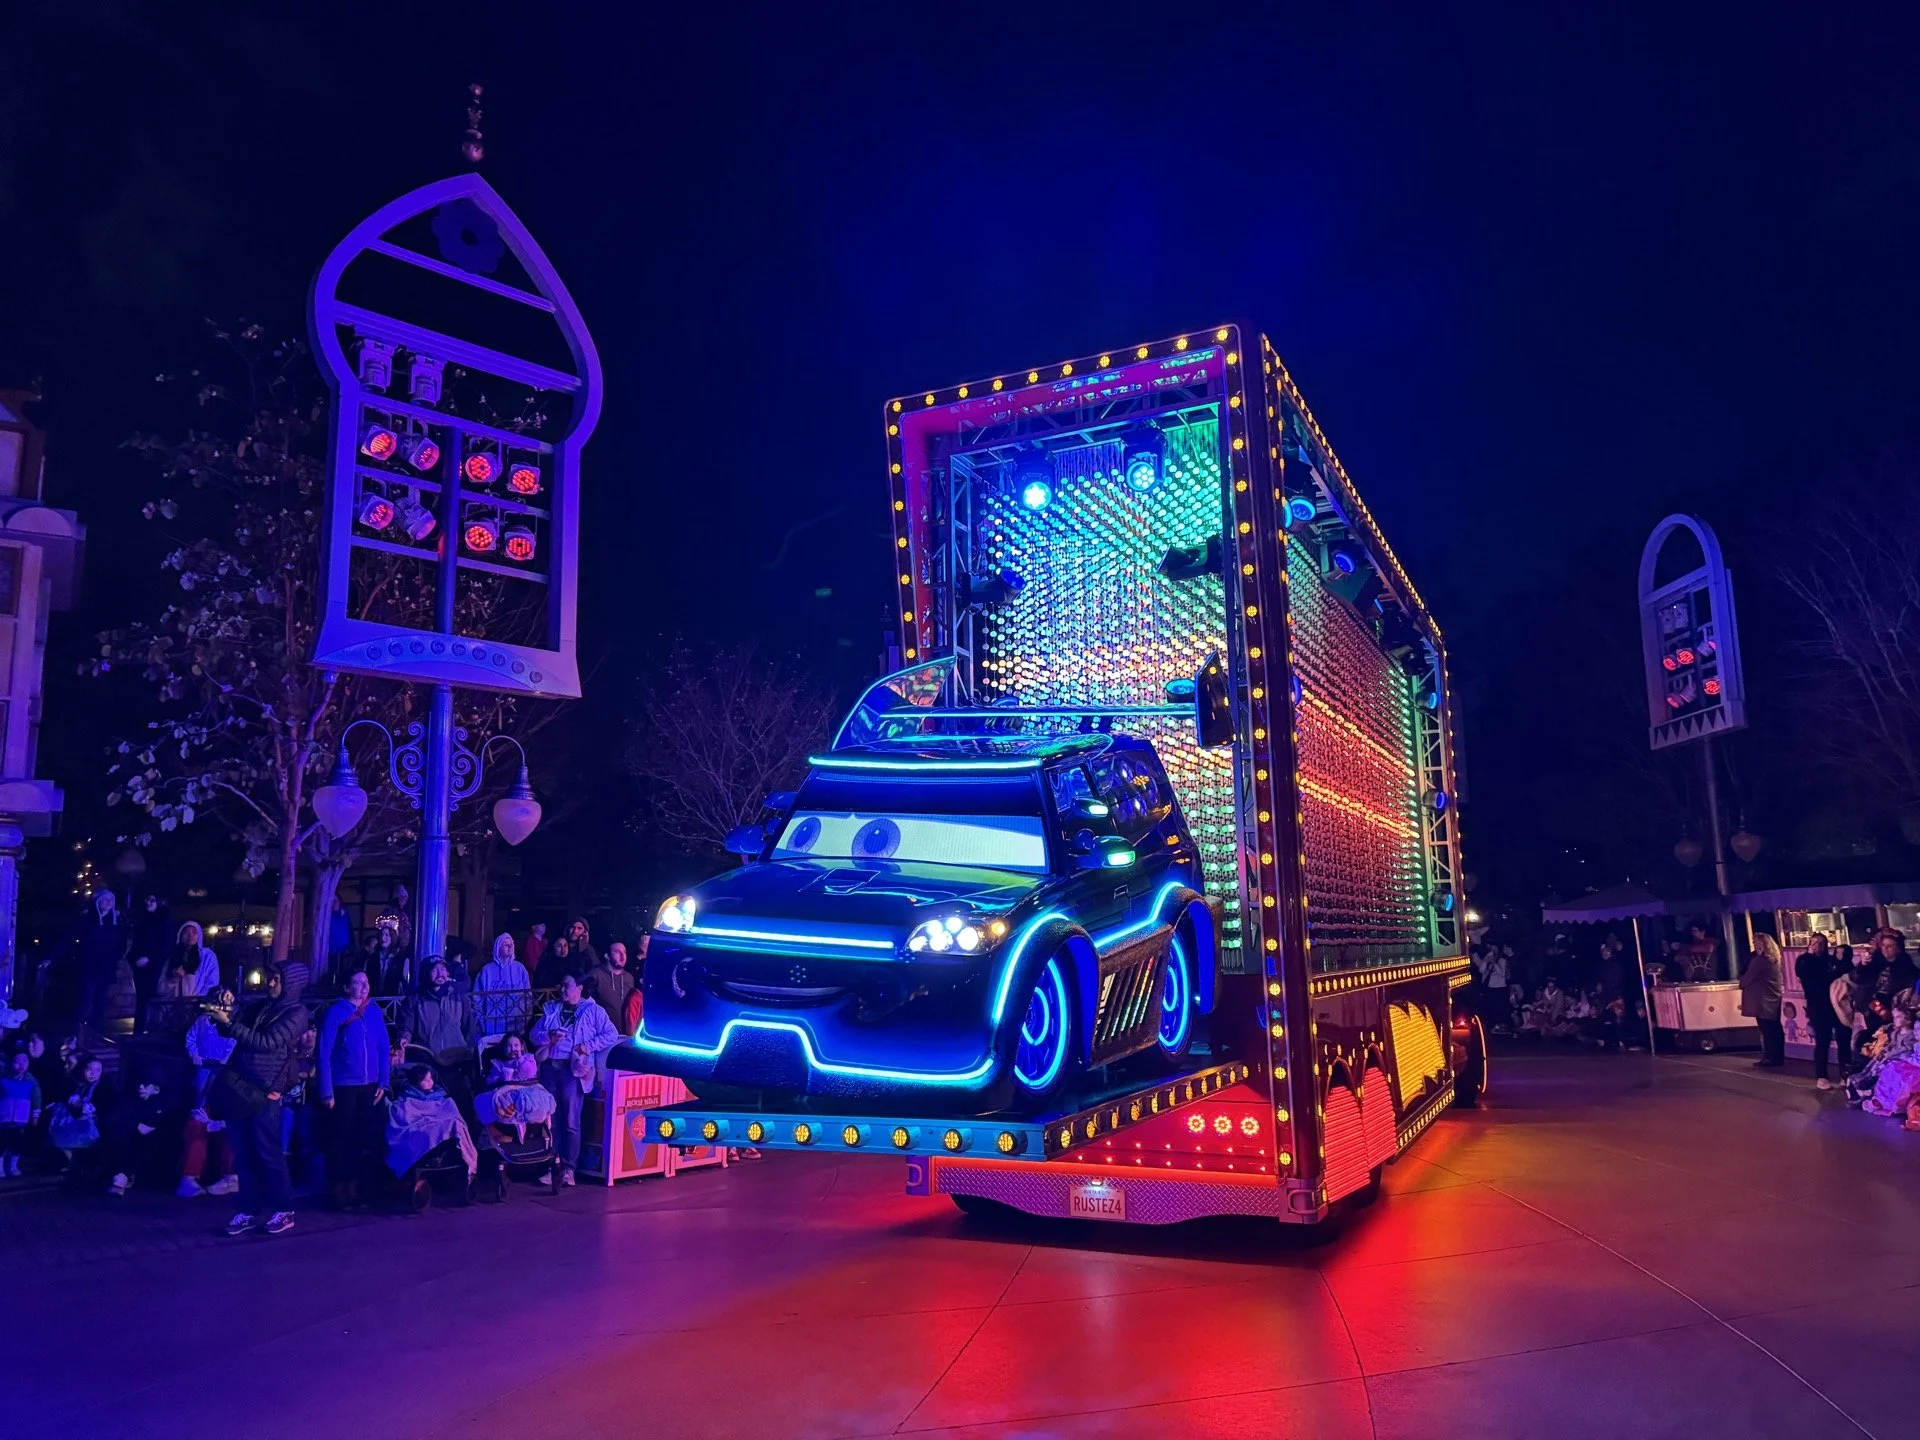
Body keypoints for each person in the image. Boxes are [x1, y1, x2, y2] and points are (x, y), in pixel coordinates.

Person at [208, 961, 310, 1237]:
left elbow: (265, 1043)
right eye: (270, 978)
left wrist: (230, 1023)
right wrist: (224, 1008)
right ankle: (249, 1209)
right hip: (241, 1087)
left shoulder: (297, 1013)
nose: (271, 983)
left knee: (268, 1152)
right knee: (244, 1153)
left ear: (291, 983)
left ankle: (284, 1209)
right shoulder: (262, 1006)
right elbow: (232, 1029)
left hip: (266, 1091)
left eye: (276, 979)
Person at [531, 973, 619, 1186]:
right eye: (561, 985)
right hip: (550, 1067)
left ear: (579, 988)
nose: (562, 989)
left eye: (566, 985)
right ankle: (552, 1167)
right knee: (550, 1120)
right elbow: (534, 1035)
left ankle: (569, 1169)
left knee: (571, 1120)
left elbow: (611, 1034)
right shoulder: (552, 1009)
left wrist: (587, 1046)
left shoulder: (593, 1010)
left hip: (573, 1071)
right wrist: (549, 1037)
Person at [316, 969, 390, 1210]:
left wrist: (383, 1080)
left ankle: (359, 1188)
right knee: (342, 1138)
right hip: (343, 1085)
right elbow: (324, 1051)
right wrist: (326, 1090)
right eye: (357, 982)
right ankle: (339, 1190)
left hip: (369, 1085)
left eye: (366, 982)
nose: (364, 986)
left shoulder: (374, 1011)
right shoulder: (335, 1012)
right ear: (347, 987)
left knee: (363, 1136)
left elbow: (383, 1046)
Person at [179, 1001, 239, 1197]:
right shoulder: (203, 1021)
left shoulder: (236, 1026)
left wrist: (216, 1124)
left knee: (231, 1131)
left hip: (228, 1086)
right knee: (195, 1125)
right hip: (205, 1073)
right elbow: (191, 1039)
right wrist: (195, 1056)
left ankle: (231, 1177)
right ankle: (189, 1178)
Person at [396, 959, 476, 1071]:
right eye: (434, 970)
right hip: (428, 1061)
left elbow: (470, 1026)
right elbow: (406, 1027)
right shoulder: (413, 1001)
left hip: (457, 1059)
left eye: (442, 969)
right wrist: (404, 1038)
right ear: (425, 973)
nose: (440, 974)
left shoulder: (459, 998)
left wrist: (471, 1050)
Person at [1796, 933, 1848, 1089]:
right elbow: (1801, 973)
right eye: (1813, 942)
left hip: (1835, 1004)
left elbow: (1840, 974)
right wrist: (1809, 956)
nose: (1817, 946)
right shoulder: (1804, 960)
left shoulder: (1830, 961)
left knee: (1843, 1039)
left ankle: (1845, 1074)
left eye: (1820, 943)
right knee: (1822, 1040)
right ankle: (1822, 1076)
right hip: (1817, 1005)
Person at [74, 890, 128, 1032]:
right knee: (85, 1000)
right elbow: (69, 937)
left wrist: (116, 957)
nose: (108, 902)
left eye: (111, 900)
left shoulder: (115, 921)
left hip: (106, 967)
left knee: (101, 1001)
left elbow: (122, 942)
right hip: (89, 966)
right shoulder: (87, 919)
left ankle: (94, 1032)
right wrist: (51, 957)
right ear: (98, 901)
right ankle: (78, 1032)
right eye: (105, 899)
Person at [473, 933, 532, 1045]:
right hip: (492, 1027)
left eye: (512, 944)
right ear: (497, 948)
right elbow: (477, 999)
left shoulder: (520, 969)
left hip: (516, 1025)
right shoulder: (487, 971)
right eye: (506, 944)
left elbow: (528, 997)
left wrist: (525, 1019)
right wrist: (482, 1022)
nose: (510, 946)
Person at [128, 891, 173, 1032]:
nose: (148, 903)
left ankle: (152, 1030)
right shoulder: (142, 920)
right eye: (147, 899)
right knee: (142, 999)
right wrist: (133, 959)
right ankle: (139, 1031)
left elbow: (166, 945)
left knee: (152, 998)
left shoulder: (164, 922)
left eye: (152, 900)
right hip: (140, 966)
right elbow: (136, 943)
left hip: (155, 966)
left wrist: (150, 958)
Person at [1740, 934, 1786, 1067]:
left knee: (1766, 1030)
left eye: (1755, 942)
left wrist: (1741, 980)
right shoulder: (1775, 959)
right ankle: (1778, 1056)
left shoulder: (1759, 961)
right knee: (1775, 1028)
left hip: (1762, 1000)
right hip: (1773, 997)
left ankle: (1769, 1057)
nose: (1754, 945)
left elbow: (1746, 980)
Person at [0, 1046, 43, 1176]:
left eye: (25, 1061)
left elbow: (36, 1100)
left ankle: (13, 1165)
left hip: (21, 1119)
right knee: (2, 1143)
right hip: (3, 1119)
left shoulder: (31, 1081)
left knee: (17, 1144)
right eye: (17, 1061)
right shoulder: (3, 1079)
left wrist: (35, 1118)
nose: (21, 1065)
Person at [166, 921, 222, 998]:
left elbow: (212, 981)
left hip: (199, 1002)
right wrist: (174, 979)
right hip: (173, 1002)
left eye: (194, 932)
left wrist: (198, 1000)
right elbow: (161, 986)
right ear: (180, 935)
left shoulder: (207, 955)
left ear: (199, 935)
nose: (190, 935)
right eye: (186, 932)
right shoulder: (173, 956)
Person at [586, 940, 636, 1025]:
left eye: (624, 952)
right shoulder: (596, 975)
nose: (622, 955)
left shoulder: (629, 978)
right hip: (601, 1029)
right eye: (617, 952)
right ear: (607, 956)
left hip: (625, 1030)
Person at [326, 894, 354, 986]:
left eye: (336, 900)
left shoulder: (345, 913)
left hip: (344, 950)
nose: (334, 903)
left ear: (340, 902)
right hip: (331, 950)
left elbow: (350, 930)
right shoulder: (327, 916)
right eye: (332, 901)